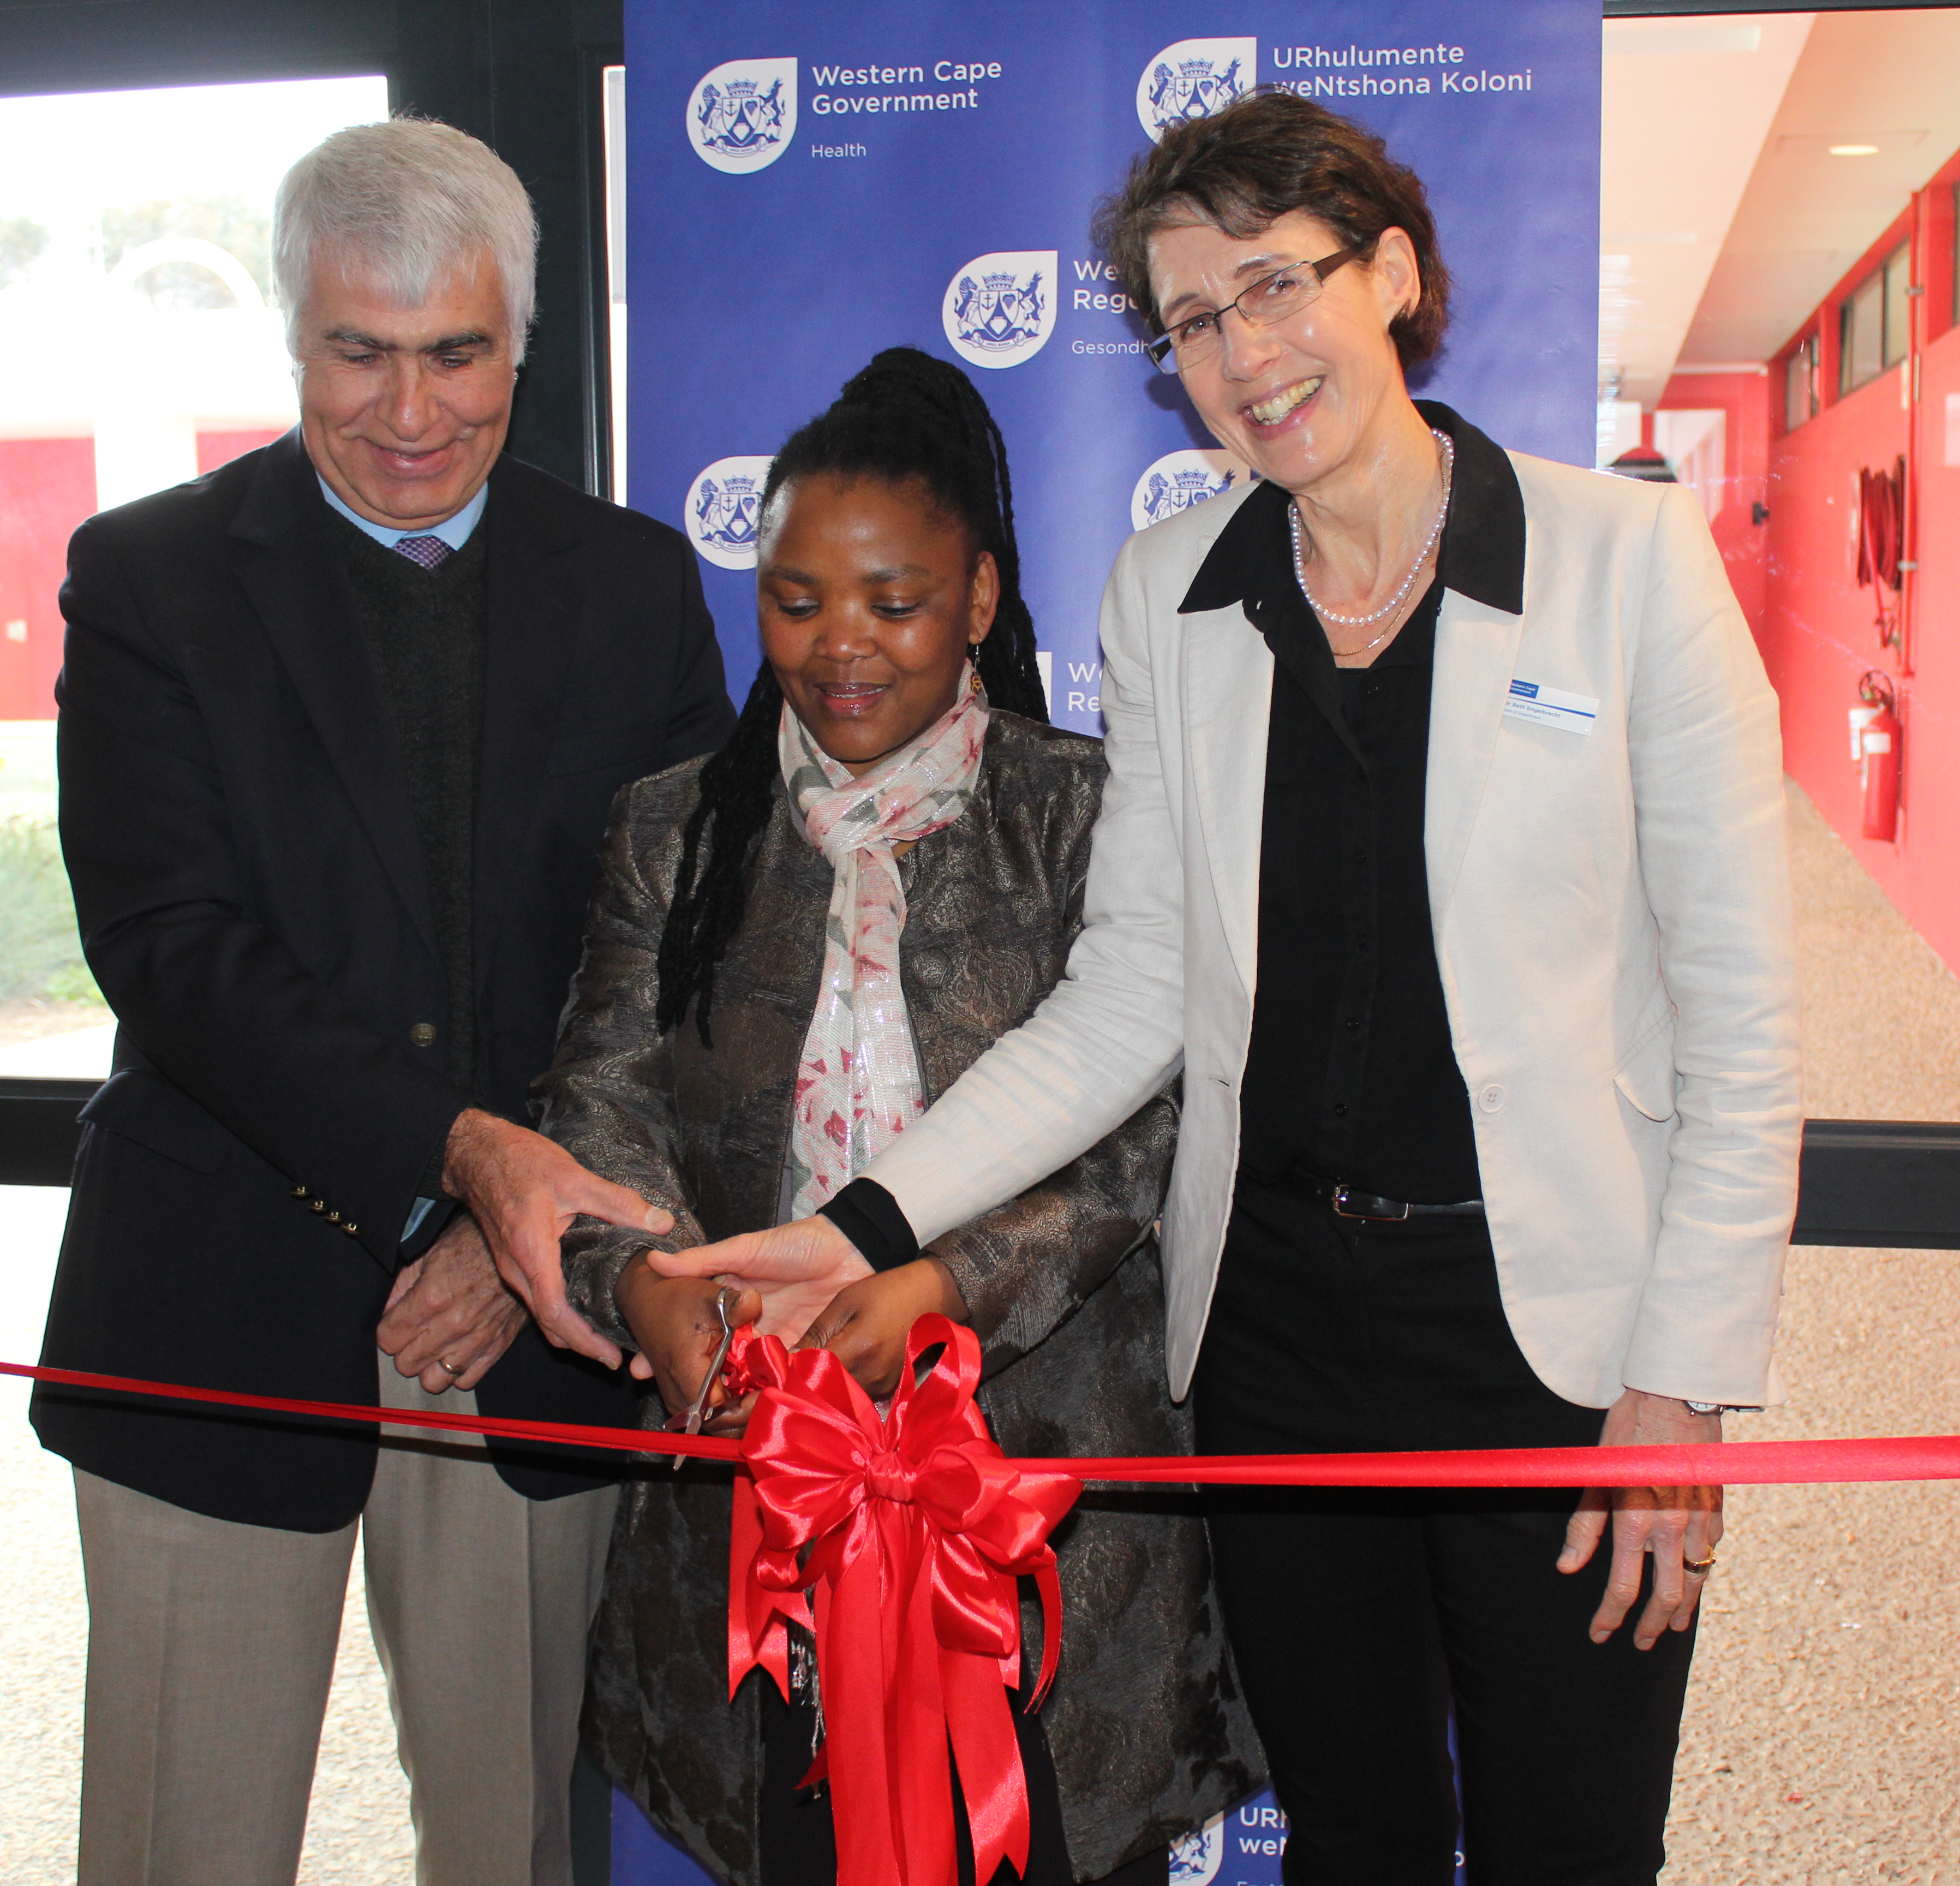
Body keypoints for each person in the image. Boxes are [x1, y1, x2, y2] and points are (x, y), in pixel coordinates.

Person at [656, 92, 1802, 1884]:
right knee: (1351, 1837)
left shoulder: (1626, 567)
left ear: (1395, 276)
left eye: (1276, 287)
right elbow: (1132, 996)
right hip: (1274, 1338)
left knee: (1573, 1848)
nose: (1243, 355)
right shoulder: (1175, 594)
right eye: (1193, 321)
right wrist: (866, 1225)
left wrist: (1680, 1386)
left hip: (1558, 1347)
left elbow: (1744, 1020)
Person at [38, 116, 731, 1886]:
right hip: (217, 1306)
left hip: (523, 1325)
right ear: (292, 335)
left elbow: (672, 948)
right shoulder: (148, 579)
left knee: (509, 1846)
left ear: (523, 342)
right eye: (359, 351)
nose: (410, 410)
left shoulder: (636, 581)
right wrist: (453, 1174)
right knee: (181, 1846)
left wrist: (524, 1224)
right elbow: (174, 949)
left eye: (456, 354)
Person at [536, 346, 1263, 1886]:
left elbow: (1146, 1129)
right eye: (795, 599)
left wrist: (943, 1293)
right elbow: (602, 1098)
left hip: (1049, 1507)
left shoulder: (1085, 810)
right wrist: (654, 1292)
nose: (840, 646)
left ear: (981, 603)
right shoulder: (679, 827)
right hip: (762, 1487)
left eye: (894, 600)